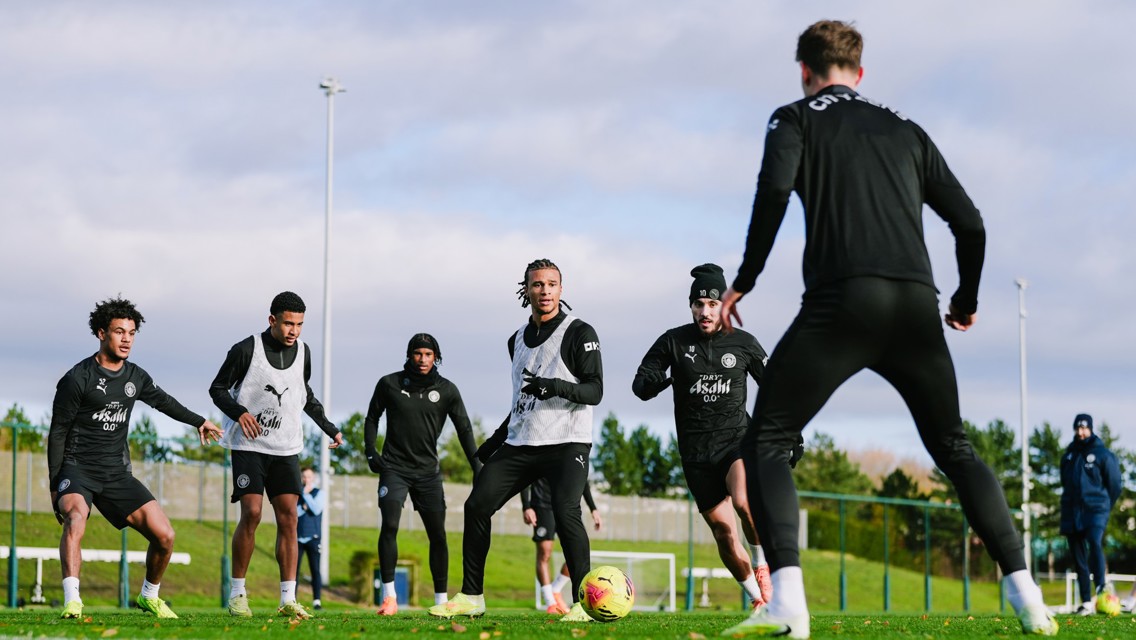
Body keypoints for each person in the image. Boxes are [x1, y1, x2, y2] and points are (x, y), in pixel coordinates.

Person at [717, 21, 1057, 638]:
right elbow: (972, 224)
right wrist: (965, 298)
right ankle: (1028, 594)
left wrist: (746, 279)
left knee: (767, 440)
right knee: (954, 447)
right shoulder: (907, 129)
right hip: (915, 306)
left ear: (804, 70)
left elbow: (772, 192)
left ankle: (788, 601)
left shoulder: (794, 118)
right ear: (860, 72)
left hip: (843, 302)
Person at [428, 258, 602, 622]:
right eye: (537, 284)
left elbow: (594, 391)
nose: (545, 291)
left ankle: (583, 603)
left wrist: (553, 386)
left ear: (561, 289)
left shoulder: (580, 332)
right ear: (526, 290)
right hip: (522, 443)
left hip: (568, 442)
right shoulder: (516, 340)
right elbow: (523, 401)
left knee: (567, 510)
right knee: (477, 506)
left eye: (552, 284)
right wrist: (494, 440)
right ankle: (472, 596)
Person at [48, 296, 222, 620]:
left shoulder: (135, 376)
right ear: (102, 334)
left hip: (116, 474)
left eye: (131, 332)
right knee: (75, 520)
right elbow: (58, 432)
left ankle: (149, 596)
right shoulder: (77, 378)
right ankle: (73, 600)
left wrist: (199, 420)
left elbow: (164, 401)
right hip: (78, 468)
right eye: (119, 332)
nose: (126, 338)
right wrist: (55, 485)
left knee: (165, 536)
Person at [633, 264, 772, 609]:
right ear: (691, 306)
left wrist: (791, 433)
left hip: (736, 441)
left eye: (712, 304)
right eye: (699, 304)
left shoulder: (744, 343)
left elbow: (774, 389)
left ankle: (761, 563)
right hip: (696, 454)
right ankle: (759, 601)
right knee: (724, 534)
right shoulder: (673, 341)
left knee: (744, 503)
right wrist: (651, 383)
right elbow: (642, 379)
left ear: (724, 305)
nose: (705, 311)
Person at [209, 291, 344, 619]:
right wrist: (239, 412)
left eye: (299, 324)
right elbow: (217, 389)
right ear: (272, 320)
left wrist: (329, 427)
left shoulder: (303, 353)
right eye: (288, 323)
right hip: (249, 445)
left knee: (289, 517)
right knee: (252, 513)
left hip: (286, 447)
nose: (294, 330)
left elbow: (304, 394)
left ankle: (288, 598)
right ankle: (238, 593)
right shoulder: (245, 350)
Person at [363, 333, 481, 615]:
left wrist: (477, 466)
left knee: (438, 535)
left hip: (428, 473)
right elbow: (372, 417)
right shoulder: (389, 383)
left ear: (436, 357)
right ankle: (389, 597)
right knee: (390, 525)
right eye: (418, 354)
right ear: (409, 355)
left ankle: (441, 600)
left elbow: (464, 428)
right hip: (394, 468)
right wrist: (370, 452)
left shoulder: (447, 390)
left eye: (428, 354)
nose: (423, 359)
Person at [1060, 413, 1121, 615]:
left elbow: (1114, 484)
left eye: (1085, 428)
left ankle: (1102, 588)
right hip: (1072, 510)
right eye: (1078, 428)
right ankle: (1086, 601)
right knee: (1078, 556)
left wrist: (1105, 505)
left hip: (1096, 509)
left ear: (1091, 429)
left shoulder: (1103, 454)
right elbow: (1064, 481)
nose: (1081, 431)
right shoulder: (1069, 455)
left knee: (1094, 541)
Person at [520, 477, 603, 614]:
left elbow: (582, 479)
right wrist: (526, 506)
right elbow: (525, 475)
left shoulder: (571, 455)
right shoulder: (538, 454)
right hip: (542, 506)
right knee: (545, 553)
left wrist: (593, 508)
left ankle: (556, 589)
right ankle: (550, 602)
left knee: (579, 552)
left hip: (567, 505)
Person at [296, 466, 326, 610]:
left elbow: (316, 509)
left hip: (313, 538)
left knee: (315, 570)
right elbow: (294, 513)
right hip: (297, 538)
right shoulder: (296, 493)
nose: (306, 479)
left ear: (312, 478)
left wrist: (306, 497)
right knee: (294, 570)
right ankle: (292, 600)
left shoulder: (319, 493)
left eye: (308, 476)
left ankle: (317, 601)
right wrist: (304, 506)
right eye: (304, 476)